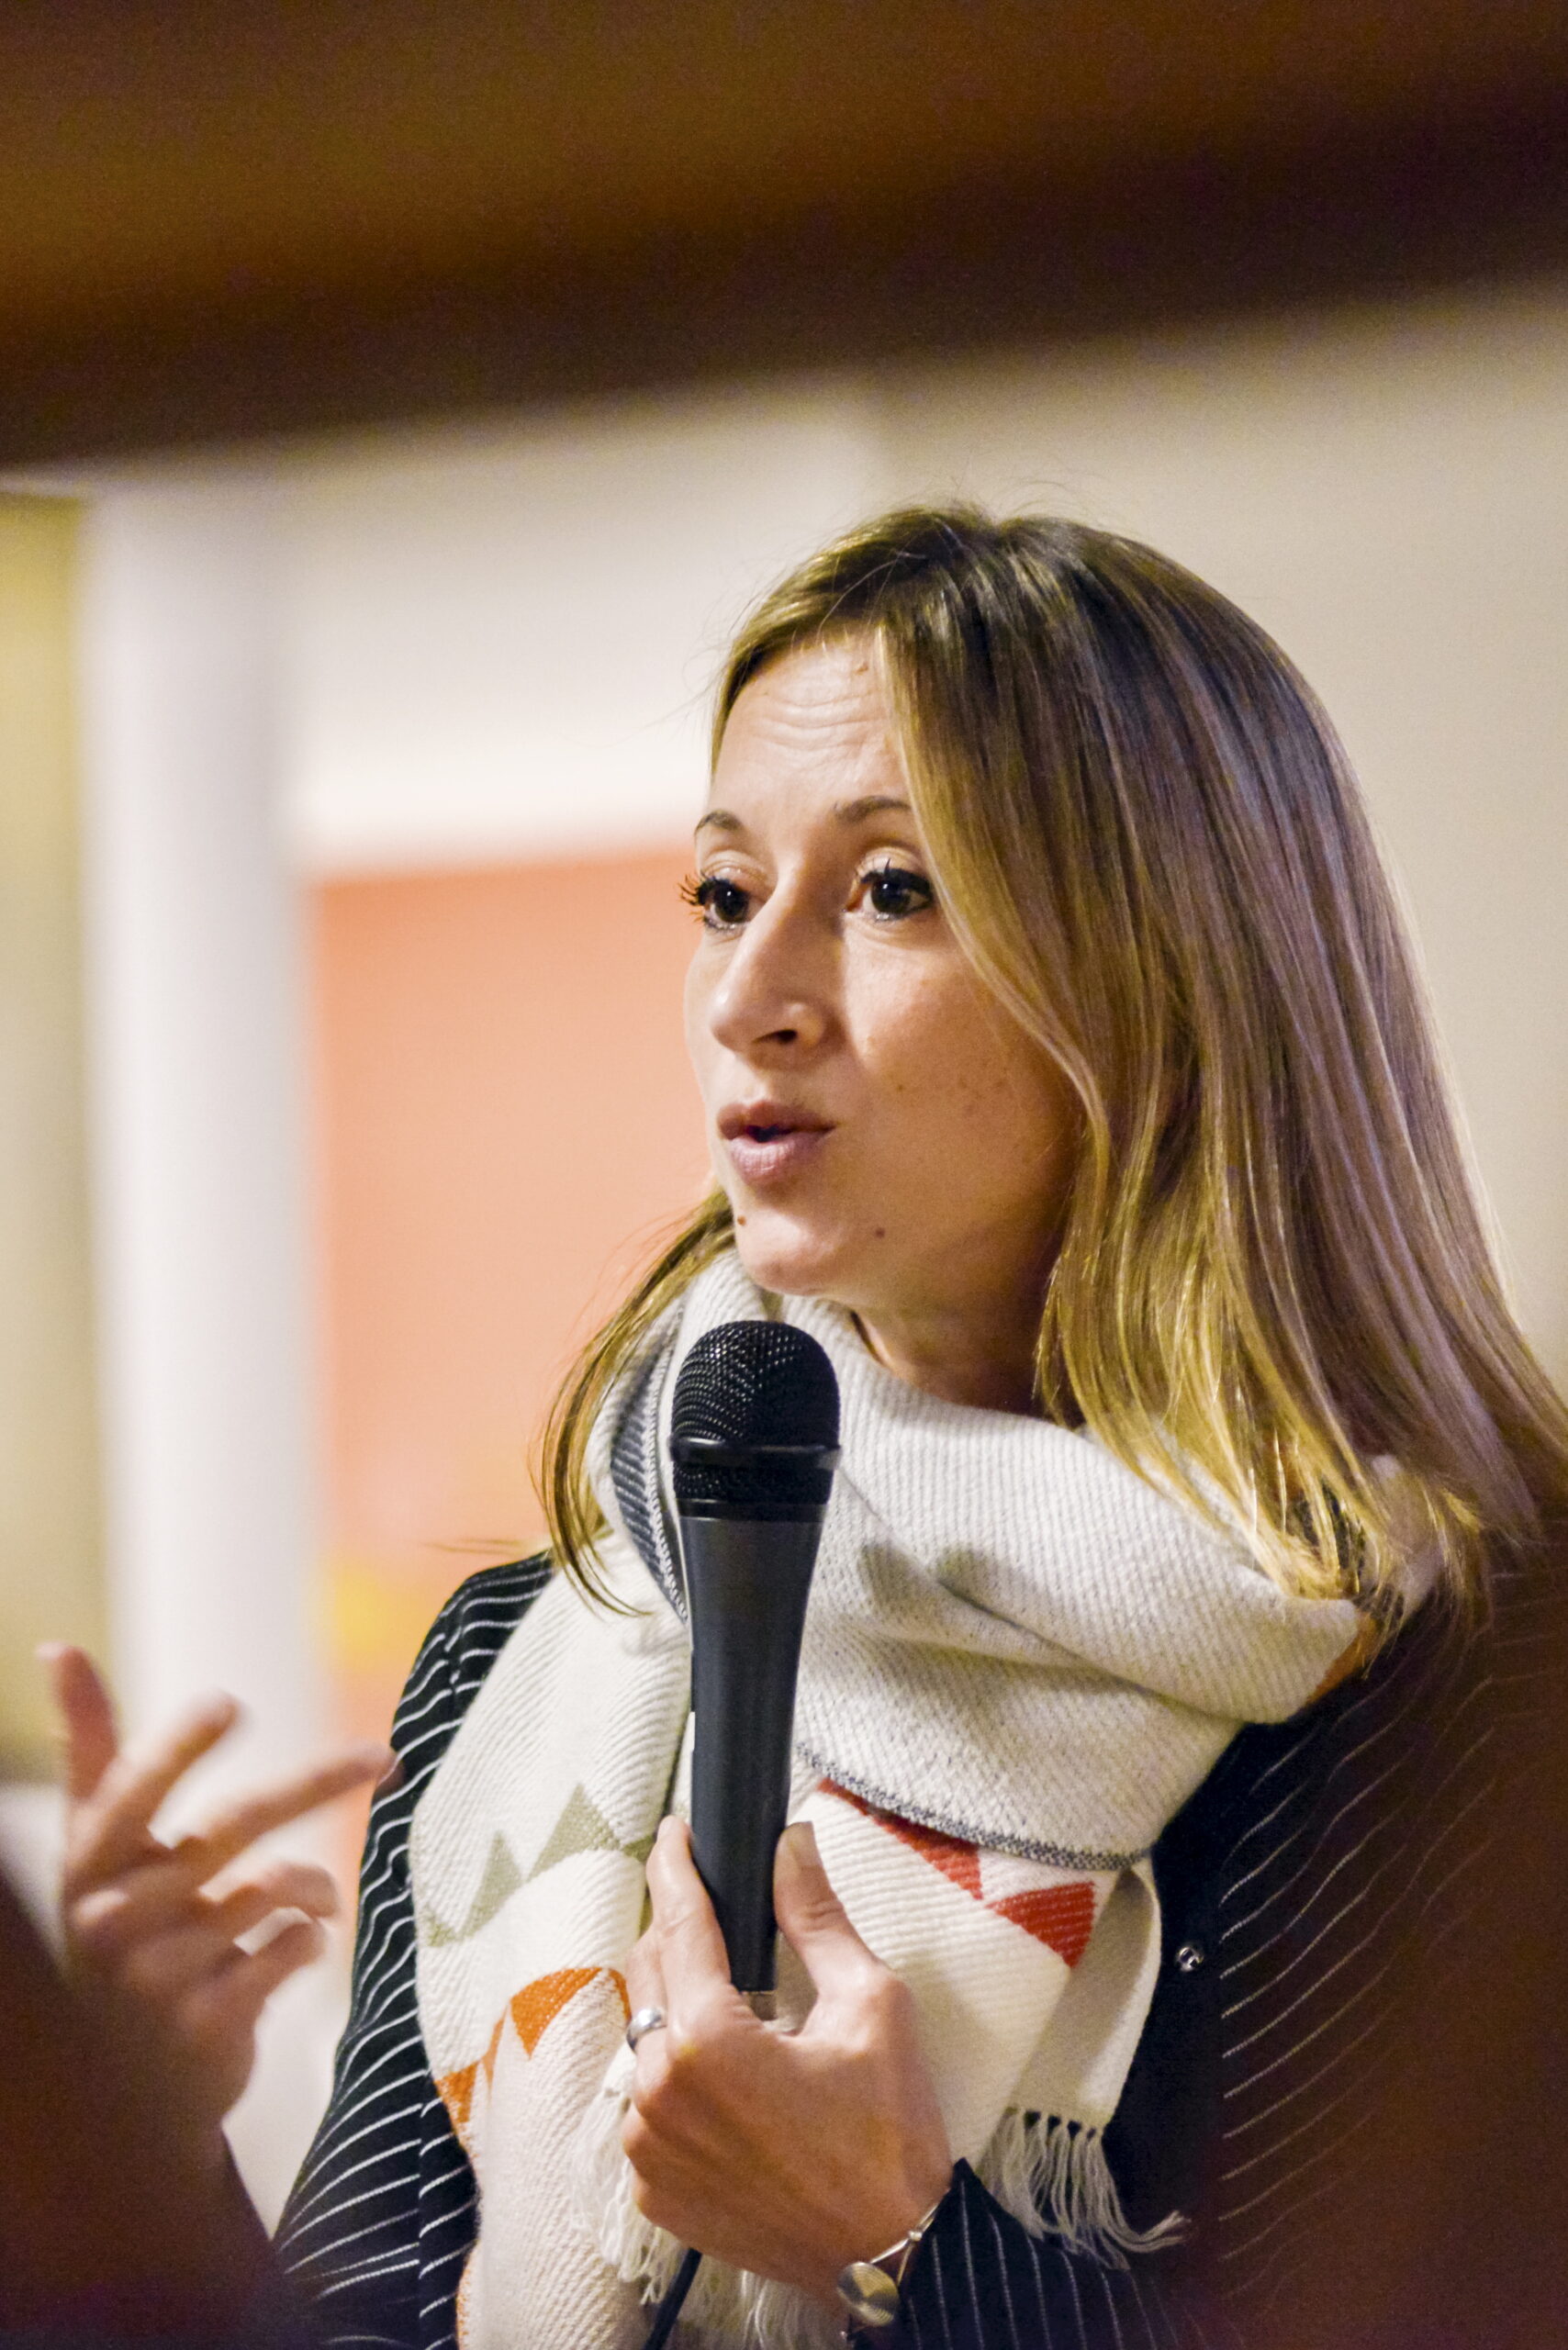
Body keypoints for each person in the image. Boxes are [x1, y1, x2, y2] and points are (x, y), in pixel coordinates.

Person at [55, 509, 1568, 2349]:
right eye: (719, 890)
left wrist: (883, 2238)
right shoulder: (520, 1651)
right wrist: (129, 2155)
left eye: (888, 889)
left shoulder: (1462, 1691)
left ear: (1163, 974)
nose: (747, 992)